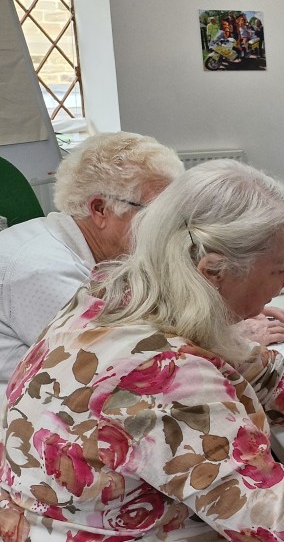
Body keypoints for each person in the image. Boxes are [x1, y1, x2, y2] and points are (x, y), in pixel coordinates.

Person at [0, 160, 284, 540]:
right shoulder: (163, 372)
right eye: (280, 268)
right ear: (213, 269)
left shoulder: (114, 292)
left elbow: (262, 376)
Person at [0, 133, 184, 394]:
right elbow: (115, 360)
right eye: (158, 213)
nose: (169, 227)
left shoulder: (99, 250)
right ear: (99, 209)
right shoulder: (42, 269)